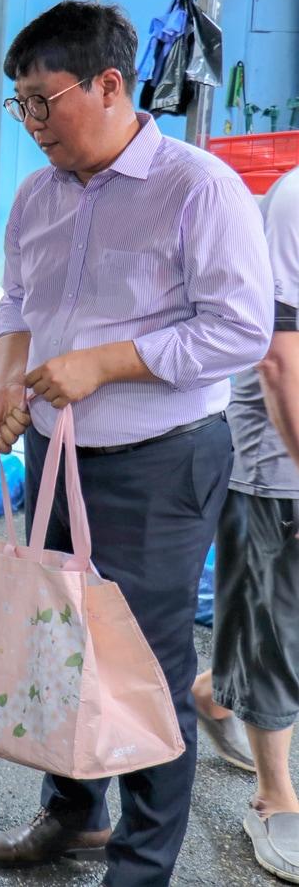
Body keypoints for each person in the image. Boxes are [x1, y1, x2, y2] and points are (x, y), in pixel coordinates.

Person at [0, 1, 272, 886]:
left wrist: (107, 362)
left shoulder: (198, 187)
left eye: (43, 101)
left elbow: (240, 331)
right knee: (60, 642)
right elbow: (19, 303)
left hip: (159, 460)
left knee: (143, 666)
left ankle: (142, 864)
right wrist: (5, 378)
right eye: (18, 104)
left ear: (111, 84)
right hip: (55, 452)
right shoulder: (38, 193)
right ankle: (72, 811)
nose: (31, 124)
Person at [190, 165, 299, 883]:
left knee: (266, 616)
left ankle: (214, 692)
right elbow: (279, 360)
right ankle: (274, 797)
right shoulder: (294, 202)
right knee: (278, 629)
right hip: (279, 459)